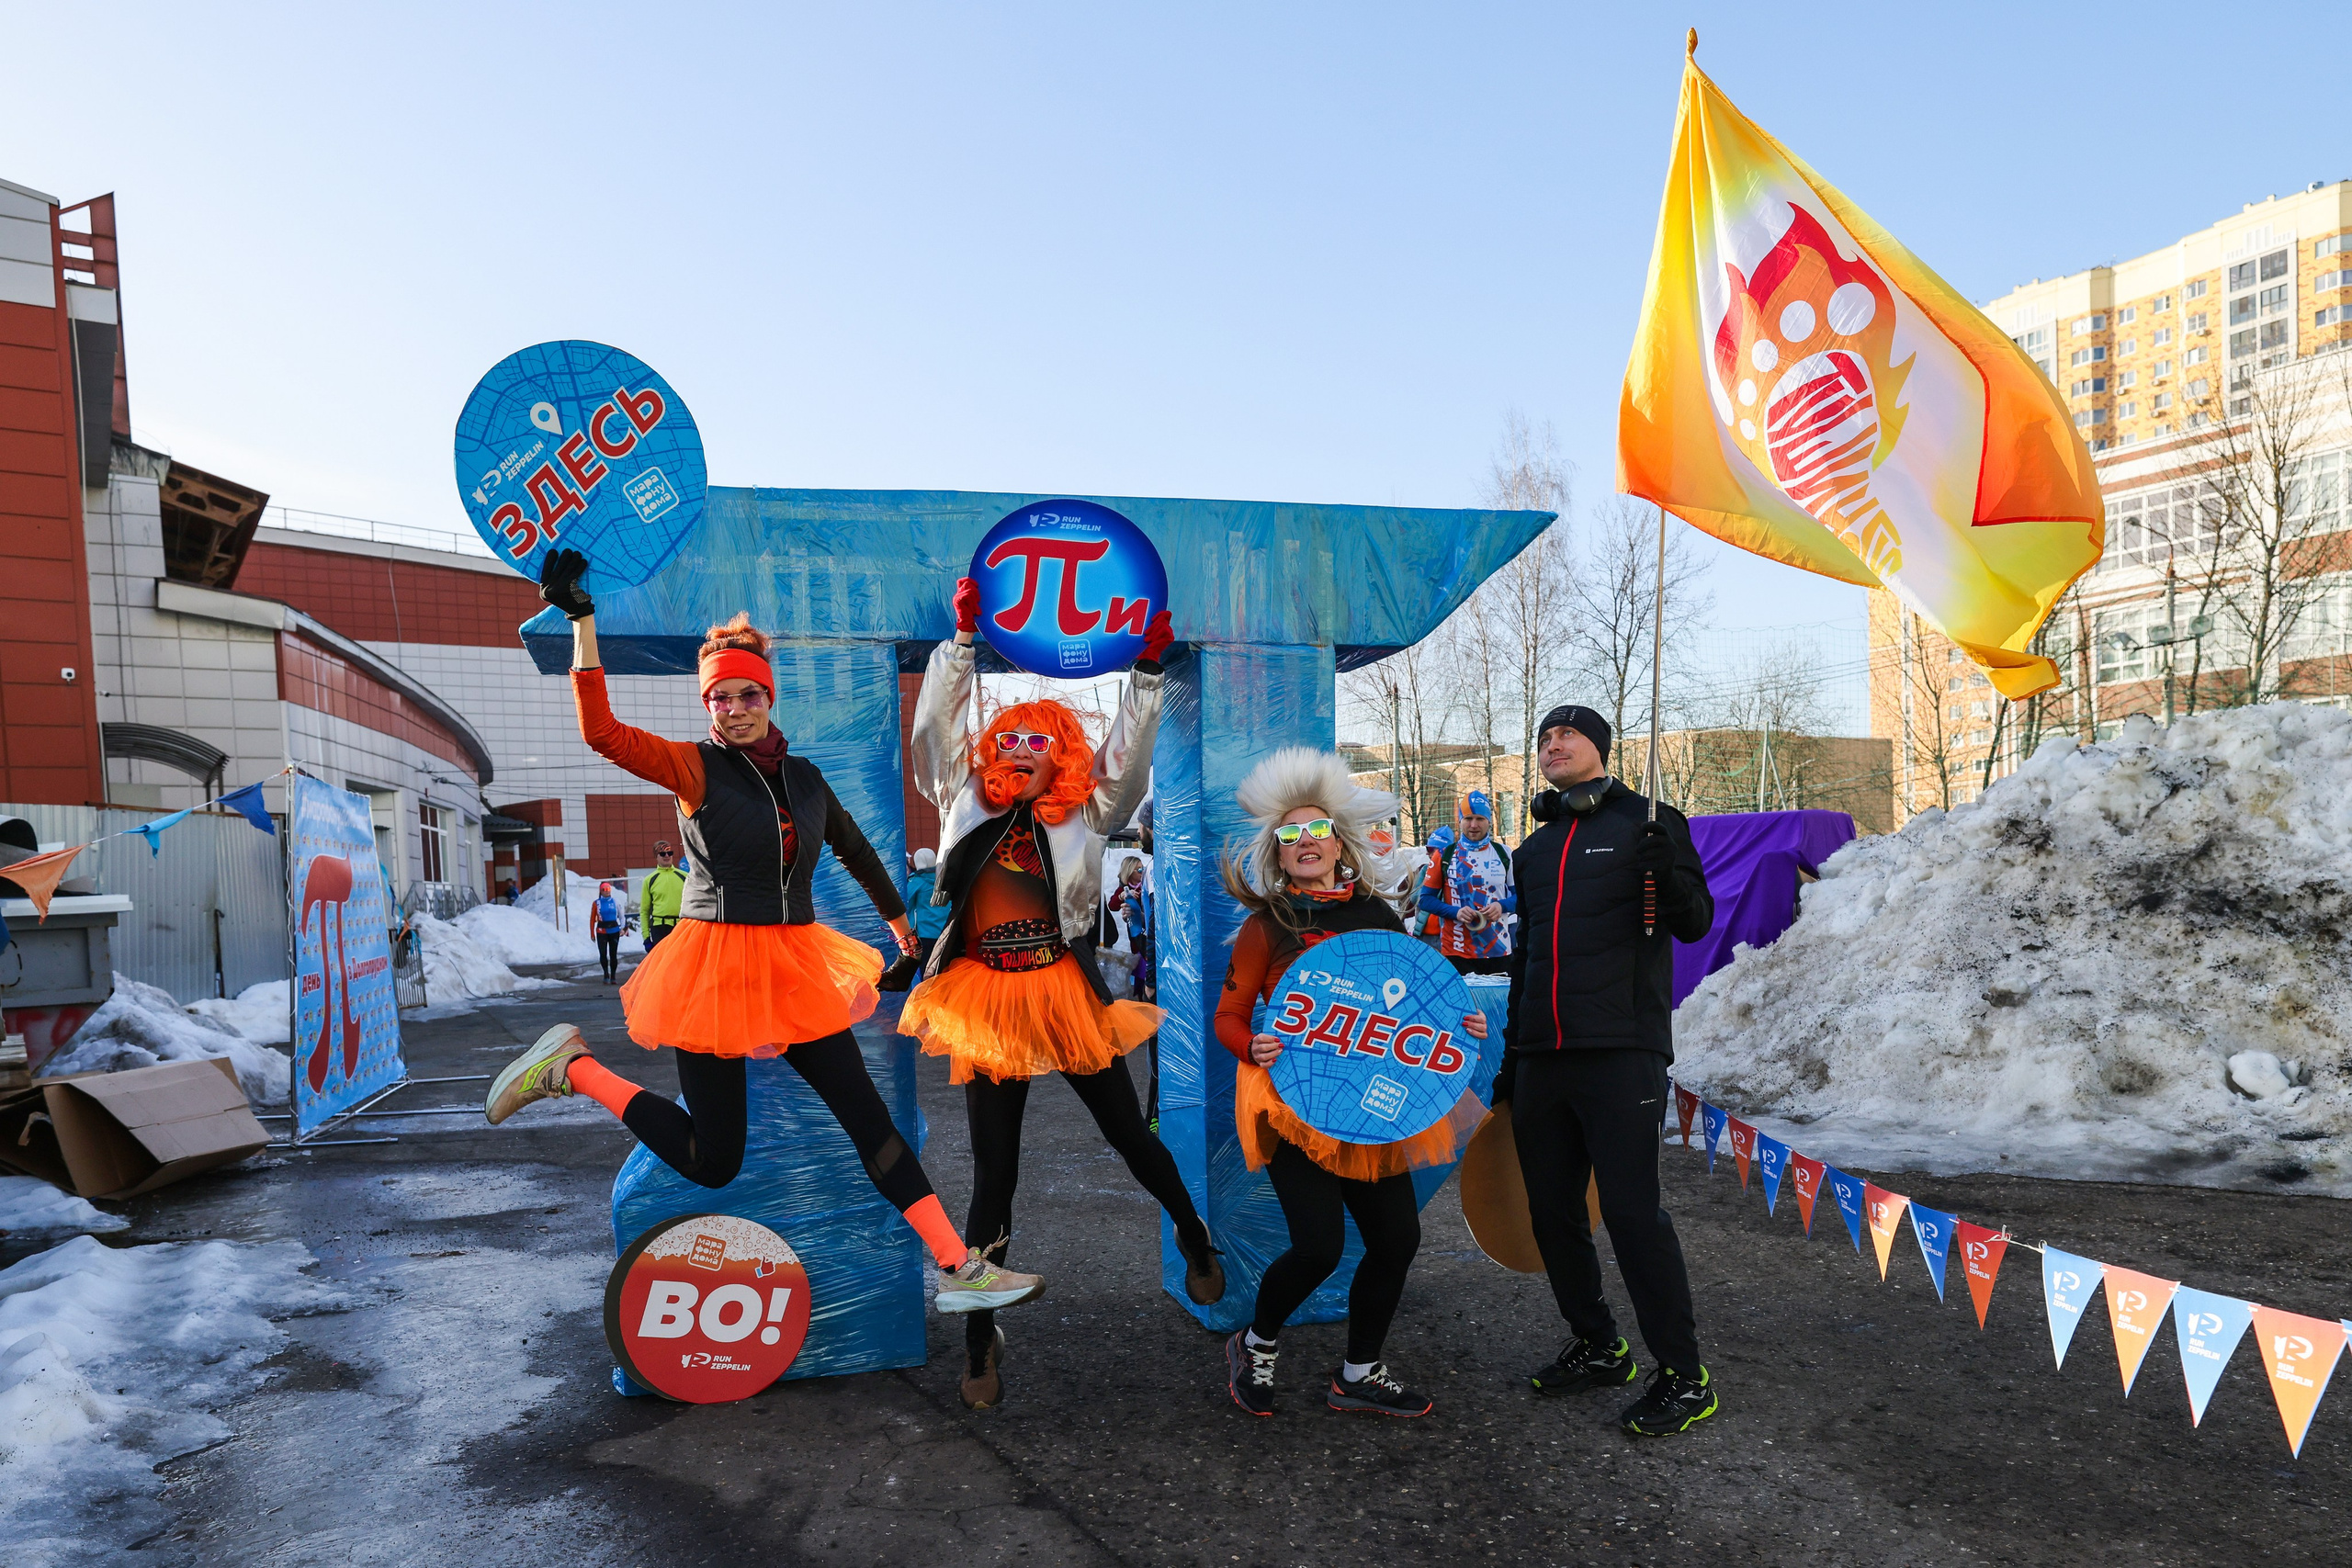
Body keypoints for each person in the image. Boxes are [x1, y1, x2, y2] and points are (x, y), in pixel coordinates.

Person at [485, 548, 1044, 1319]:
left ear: (769, 698)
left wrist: (902, 929)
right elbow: (604, 734)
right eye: (721, 698)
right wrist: (584, 624)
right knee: (715, 1161)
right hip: (713, 968)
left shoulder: (807, 779)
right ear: (707, 705)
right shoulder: (693, 770)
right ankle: (574, 1069)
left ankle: (957, 1265)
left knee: (870, 1119)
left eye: (749, 694)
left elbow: (851, 847)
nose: (736, 708)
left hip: (793, 965)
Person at [899, 575, 1222, 1411]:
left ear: (1062, 754)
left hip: (1062, 988)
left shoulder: (1088, 811)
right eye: (1011, 736)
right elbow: (935, 727)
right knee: (994, 1170)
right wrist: (962, 645)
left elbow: (1128, 757)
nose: (1020, 749)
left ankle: (1192, 1231)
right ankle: (981, 1339)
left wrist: (1147, 674)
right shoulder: (960, 795)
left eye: (1040, 740)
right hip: (983, 996)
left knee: (1125, 1130)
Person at [1214, 749, 1488, 1419]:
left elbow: (1416, 1000)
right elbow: (1228, 1014)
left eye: (1316, 831)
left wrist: (1459, 1020)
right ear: (1276, 852)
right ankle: (1255, 1343)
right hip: (1293, 1102)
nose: (1305, 843)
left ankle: (1359, 1372)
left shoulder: (1377, 916)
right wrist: (1250, 1042)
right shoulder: (1265, 926)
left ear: (1340, 840)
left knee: (1397, 1240)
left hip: (1370, 1099)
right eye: (1290, 836)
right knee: (1318, 1246)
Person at [1498, 704, 1717, 1437]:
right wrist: (1510, 1058)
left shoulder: (1651, 822)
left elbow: (1693, 921)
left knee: (1630, 1214)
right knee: (1551, 1215)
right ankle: (1599, 1345)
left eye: (1565, 732)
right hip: (1541, 1057)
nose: (1551, 742)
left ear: (1600, 748)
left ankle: (1685, 1377)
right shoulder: (1531, 851)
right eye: (1542, 736)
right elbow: (1525, 959)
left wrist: (1670, 873)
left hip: (1623, 1049)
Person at [1419, 791, 1516, 976]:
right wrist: (1456, 912)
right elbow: (1425, 900)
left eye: (1480, 818)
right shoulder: (1445, 854)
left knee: (1498, 1006)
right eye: (1468, 818)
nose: (1473, 825)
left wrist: (1501, 906)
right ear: (1460, 820)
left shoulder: (1504, 853)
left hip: (1498, 950)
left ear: (1489, 821)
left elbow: (1523, 897)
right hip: (1456, 952)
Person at [905, 847, 950, 970]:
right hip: (947, 932)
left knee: (927, 969)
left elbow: (905, 904)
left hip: (925, 933)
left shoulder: (917, 881)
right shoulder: (945, 880)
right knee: (944, 968)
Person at [640, 840, 686, 951]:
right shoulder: (649, 880)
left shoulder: (684, 877)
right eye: (662, 853)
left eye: (670, 853)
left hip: (681, 926)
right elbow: (644, 911)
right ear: (656, 856)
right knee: (663, 965)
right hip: (659, 928)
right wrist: (646, 938)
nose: (667, 856)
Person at [592, 881, 626, 984]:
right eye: (605, 890)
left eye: (609, 889)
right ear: (601, 891)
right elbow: (592, 919)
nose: (607, 892)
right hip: (601, 931)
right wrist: (592, 933)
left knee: (613, 954)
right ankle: (606, 973)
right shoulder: (596, 903)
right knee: (603, 953)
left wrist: (623, 928)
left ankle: (613, 976)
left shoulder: (615, 902)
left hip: (614, 930)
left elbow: (621, 916)